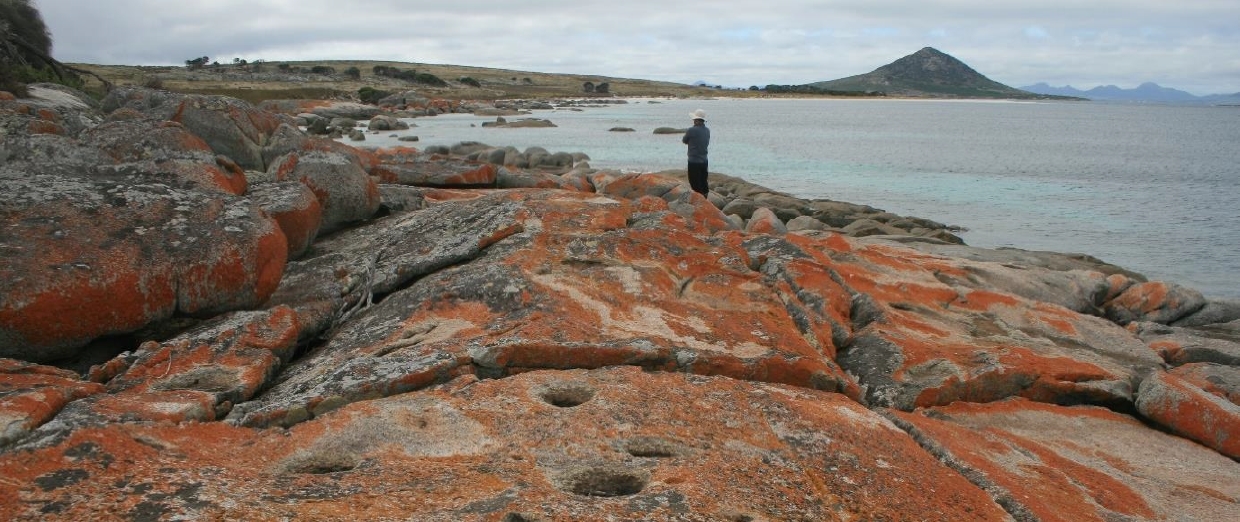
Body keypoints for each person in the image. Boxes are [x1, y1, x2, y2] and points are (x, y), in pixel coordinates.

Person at [682, 109, 710, 197]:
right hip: (704, 160)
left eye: (694, 119)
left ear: (697, 120)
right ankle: (705, 199)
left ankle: (699, 203)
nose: (693, 121)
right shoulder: (707, 130)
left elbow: (684, 140)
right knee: (703, 182)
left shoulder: (691, 130)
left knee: (694, 184)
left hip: (694, 161)